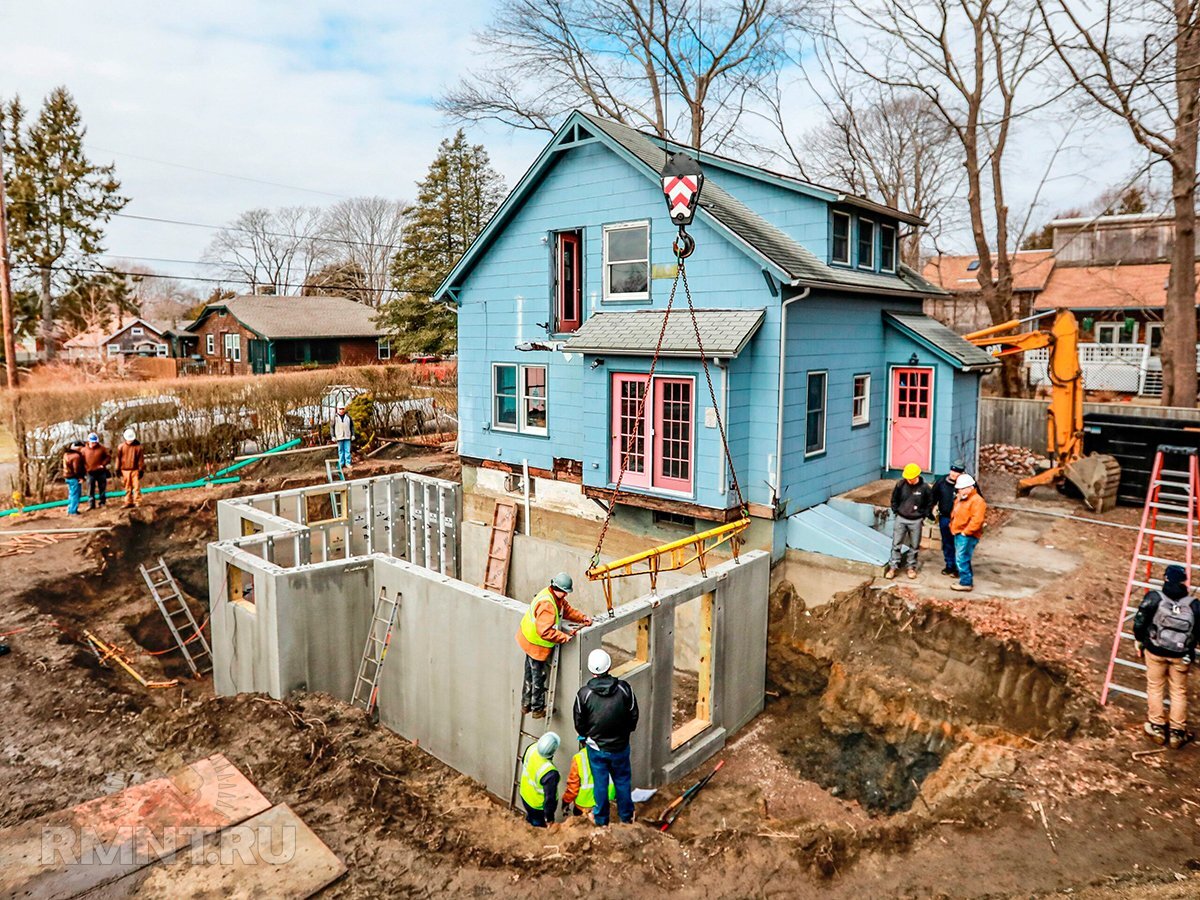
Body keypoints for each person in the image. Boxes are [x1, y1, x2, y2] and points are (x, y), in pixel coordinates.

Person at [1134, 564, 1200, 749]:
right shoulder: (1194, 605)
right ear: (1183, 582)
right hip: (1181, 655)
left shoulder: (1154, 598)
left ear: (1165, 579)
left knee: (1155, 687)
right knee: (1178, 691)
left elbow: (1140, 622)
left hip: (1155, 651)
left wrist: (1139, 640)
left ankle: (1157, 727)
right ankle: (1177, 732)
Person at [572, 648, 639, 826]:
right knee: (622, 781)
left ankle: (601, 820)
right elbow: (633, 714)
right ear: (609, 667)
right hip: (620, 747)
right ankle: (626, 817)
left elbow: (579, 722)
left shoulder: (584, 694)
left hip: (596, 749)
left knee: (600, 784)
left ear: (592, 670)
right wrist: (626, 733)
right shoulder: (624, 689)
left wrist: (586, 736)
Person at [515, 572, 592, 718]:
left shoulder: (551, 595)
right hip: (535, 644)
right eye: (564, 592)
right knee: (539, 676)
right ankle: (537, 709)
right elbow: (544, 632)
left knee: (529, 674)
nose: (565, 595)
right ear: (557, 588)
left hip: (528, 639)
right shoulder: (548, 604)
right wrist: (563, 637)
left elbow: (566, 610)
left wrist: (582, 618)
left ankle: (526, 704)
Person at [887, 463, 933, 580]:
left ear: (917, 476)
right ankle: (893, 567)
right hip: (901, 518)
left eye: (910, 478)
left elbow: (929, 503)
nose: (908, 480)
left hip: (916, 520)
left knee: (914, 545)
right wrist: (896, 510)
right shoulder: (900, 485)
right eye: (907, 477)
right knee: (896, 544)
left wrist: (924, 514)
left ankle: (911, 567)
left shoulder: (925, 488)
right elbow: (894, 499)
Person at [561, 736, 616, 820]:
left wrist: (566, 801)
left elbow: (573, 786)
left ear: (583, 743)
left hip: (584, 806)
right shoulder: (612, 753)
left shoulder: (579, 758)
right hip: (607, 803)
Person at [949, 473, 987, 593]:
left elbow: (977, 520)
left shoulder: (977, 501)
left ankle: (966, 582)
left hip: (967, 535)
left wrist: (966, 532)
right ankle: (965, 578)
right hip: (958, 531)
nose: (958, 491)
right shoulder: (962, 498)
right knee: (963, 557)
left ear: (969, 487)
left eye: (960, 489)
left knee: (961, 558)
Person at [930, 460, 966, 577]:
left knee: (960, 544)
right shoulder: (941, 481)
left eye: (957, 472)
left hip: (961, 520)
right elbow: (933, 497)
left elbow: (977, 500)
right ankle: (949, 565)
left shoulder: (968, 484)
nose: (954, 474)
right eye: (952, 470)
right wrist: (929, 511)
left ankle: (959, 568)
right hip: (945, 518)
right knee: (947, 543)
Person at [518, 731, 561, 828]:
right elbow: (550, 799)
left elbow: (524, 761)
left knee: (531, 818)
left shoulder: (532, 748)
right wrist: (549, 818)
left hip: (525, 794)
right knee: (538, 827)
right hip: (537, 806)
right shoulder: (550, 772)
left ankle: (529, 824)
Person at [80, 432, 111, 509]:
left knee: (102, 488)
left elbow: (108, 457)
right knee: (90, 489)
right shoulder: (83, 450)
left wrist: (103, 464)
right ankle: (91, 504)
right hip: (90, 472)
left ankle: (102, 502)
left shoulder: (102, 449)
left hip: (101, 472)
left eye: (95, 442)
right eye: (92, 442)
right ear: (89, 441)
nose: (94, 444)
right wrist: (85, 468)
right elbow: (81, 461)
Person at [116, 429, 146, 509]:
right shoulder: (121, 447)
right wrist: (117, 469)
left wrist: (141, 469)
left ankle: (137, 502)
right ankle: (128, 502)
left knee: (136, 487)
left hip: (135, 470)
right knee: (127, 487)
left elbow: (140, 460)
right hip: (124, 470)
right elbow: (118, 459)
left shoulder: (138, 448)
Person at [62, 441, 86, 517]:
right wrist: (81, 477)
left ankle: (71, 509)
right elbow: (77, 469)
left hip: (68, 476)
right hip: (74, 477)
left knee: (71, 494)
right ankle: (73, 511)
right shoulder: (76, 457)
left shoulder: (67, 454)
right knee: (75, 494)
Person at [332, 404, 354, 472]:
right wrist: (333, 436)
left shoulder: (348, 417)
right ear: (337, 409)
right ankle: (341, 463)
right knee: (340, 451)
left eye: (342, 409)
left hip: (347, 436)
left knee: (347, 450)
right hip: (339, 437)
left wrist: (353, 434)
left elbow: (352, 426)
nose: (341, 410)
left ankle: (348, 463)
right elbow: (332, 427)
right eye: (340, 409)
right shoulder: (334, 417)